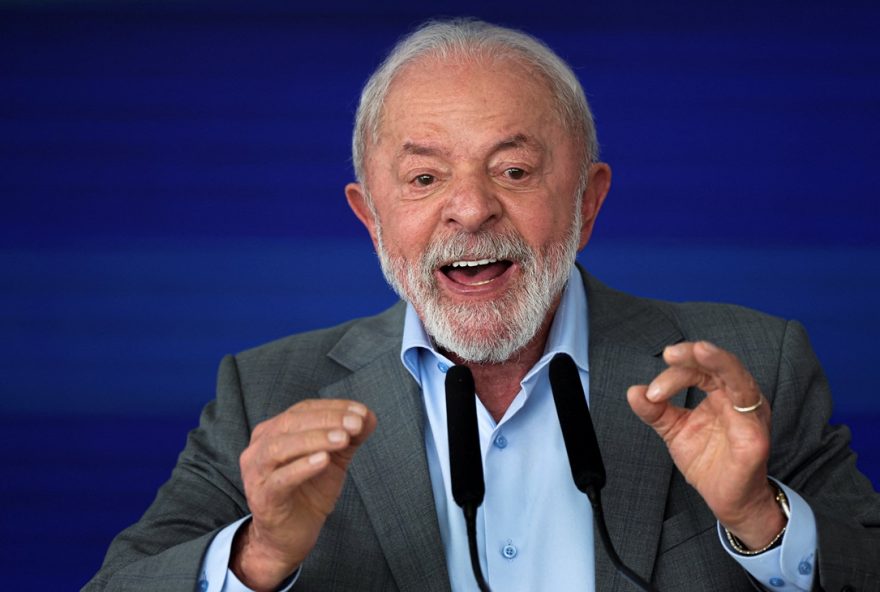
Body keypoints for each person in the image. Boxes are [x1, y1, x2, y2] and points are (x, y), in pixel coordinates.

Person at [84, 18, 880, 592]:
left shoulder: (752, 363)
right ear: (370, 216)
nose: (470, 210)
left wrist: (759, 520)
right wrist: (258, 558)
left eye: (514, 171)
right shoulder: (267, 391)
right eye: (425, 179)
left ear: (588, 202)